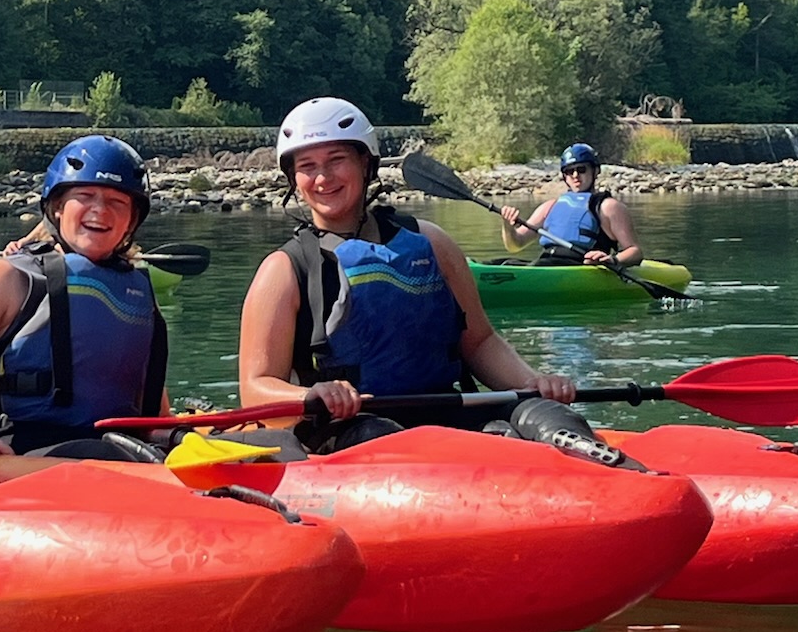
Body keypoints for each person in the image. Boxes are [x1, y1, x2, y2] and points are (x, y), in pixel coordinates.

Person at [238, 98, 578, 453]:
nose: (323, 178)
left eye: (337, 160)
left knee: (543, 415)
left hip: (444, 411)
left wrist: (533, 382)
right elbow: (255, 389)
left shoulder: (432, 243)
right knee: (383, 439)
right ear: (294, 178)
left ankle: (603, 470)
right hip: (349, 430)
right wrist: (311, 394)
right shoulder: (284, 270)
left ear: (366, 163)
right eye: (307, 166)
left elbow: (479, 342)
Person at [0, 134, 171, 471]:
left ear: (131, 219)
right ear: (57, 207)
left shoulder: (138, 291)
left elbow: (155, 409)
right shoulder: (7, 279)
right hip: (19, 457)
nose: (100, 210)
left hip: (122, 456)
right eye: (85, 196)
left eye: (116, 202)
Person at [498, 143, 642, 269]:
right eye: (569, 171)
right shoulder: (549, 207)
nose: (575, 175)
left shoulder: (609, 207)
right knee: (501, 262)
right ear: (564, 176)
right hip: (546, 264)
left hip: (581, 267)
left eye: (581, 169)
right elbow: (515, 245)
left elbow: (635, 252)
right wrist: (507, 226)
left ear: (596, 171)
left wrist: (612, 260)